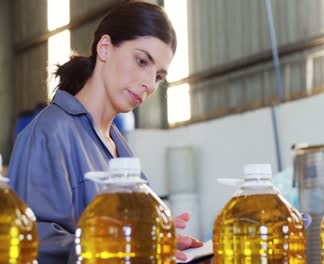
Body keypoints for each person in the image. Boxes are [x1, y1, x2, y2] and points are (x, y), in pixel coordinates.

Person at [7, 1, 202, 263]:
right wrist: (123, 242)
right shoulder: (48, 134)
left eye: (158, 76)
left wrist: (156, 237)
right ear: (105, 48)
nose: (148, 83)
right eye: (141, 60)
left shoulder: (118, 148)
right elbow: (36, 245)